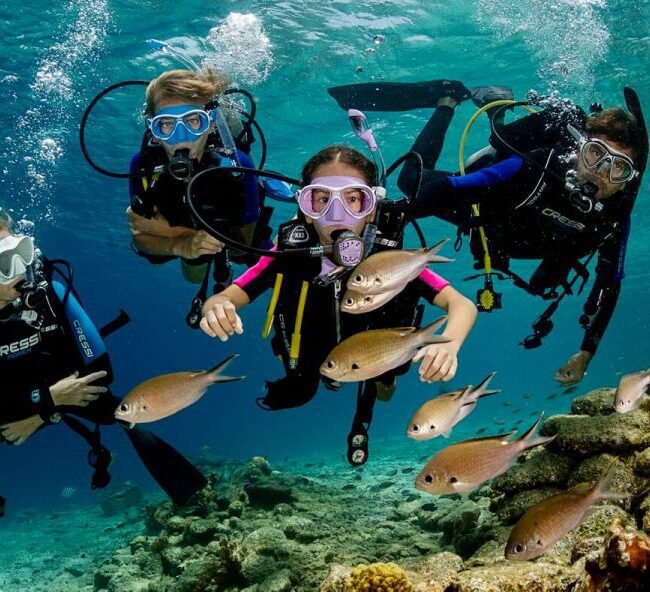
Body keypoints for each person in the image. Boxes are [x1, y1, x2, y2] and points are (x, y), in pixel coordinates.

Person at [328, 79, 646, 385]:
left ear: (627, 178)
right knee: (410, 180)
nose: (600, 172)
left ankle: (490, 106)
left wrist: (586, 353)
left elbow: (609, 284)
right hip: (484, 214)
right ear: (578, 150)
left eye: (618, 167)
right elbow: (456, 187)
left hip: (519, 243)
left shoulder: (613, 219)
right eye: (595, 154)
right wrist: (403, 211)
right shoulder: (537, 166)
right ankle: (447, 101)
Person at [199, 146, 477, 465]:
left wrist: (449, 345)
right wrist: (217, 305)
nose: (336, 215)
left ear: (371, 208)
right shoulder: (287, 252)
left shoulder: (390, 262)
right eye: (320, 199)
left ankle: (374, 386)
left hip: (381, 351)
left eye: (353, 198)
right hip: (307, 349)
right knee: (300, 391)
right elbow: (230, 295)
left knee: (383, 387)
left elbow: (461, 304)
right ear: (305, 207)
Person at [0, 209, 207, 508]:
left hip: (60, 387)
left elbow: (100, 372)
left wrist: (45, 410)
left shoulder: (50, 292)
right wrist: (46, 402)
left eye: (23, 252)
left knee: (119, 411)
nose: (21, 271)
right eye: (6, 262)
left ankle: (189, 489)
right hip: (35, 394)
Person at [127, 68, 273, 322]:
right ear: (153, 129)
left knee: (258, 261)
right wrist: (182, 243)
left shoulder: (237, 166)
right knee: (192, 273)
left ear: (210, 124)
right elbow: (141, 241)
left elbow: (242, 245)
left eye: (193, 121)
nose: (180, 137)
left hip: (235, 230)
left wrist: (167, 232)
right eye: (167, 125)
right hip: (192, 238)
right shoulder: (144, 166)